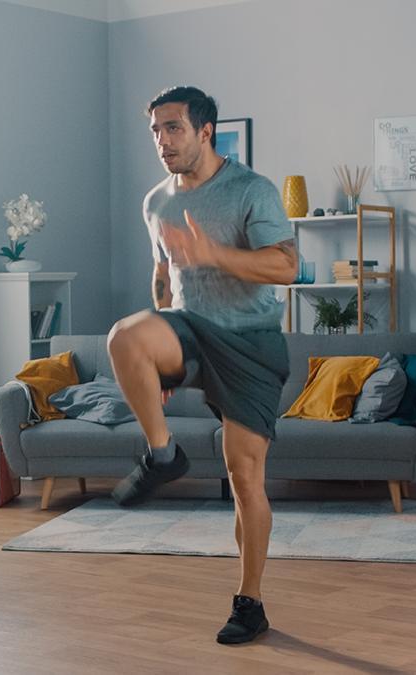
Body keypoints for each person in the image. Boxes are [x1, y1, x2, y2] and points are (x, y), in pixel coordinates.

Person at [107, 85, 296, 645]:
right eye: (156, 131)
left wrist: (215, 253)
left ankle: (250, 602)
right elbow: (163, 278)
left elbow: (286, 267)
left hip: (252, 346)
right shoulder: (156, 202)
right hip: (192, 329)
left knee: (244, 476)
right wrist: (158, 361)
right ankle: (163, 455)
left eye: (173, 129)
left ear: (205, 131)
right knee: (124, 338)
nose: (162, 141)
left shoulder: (251, 191)